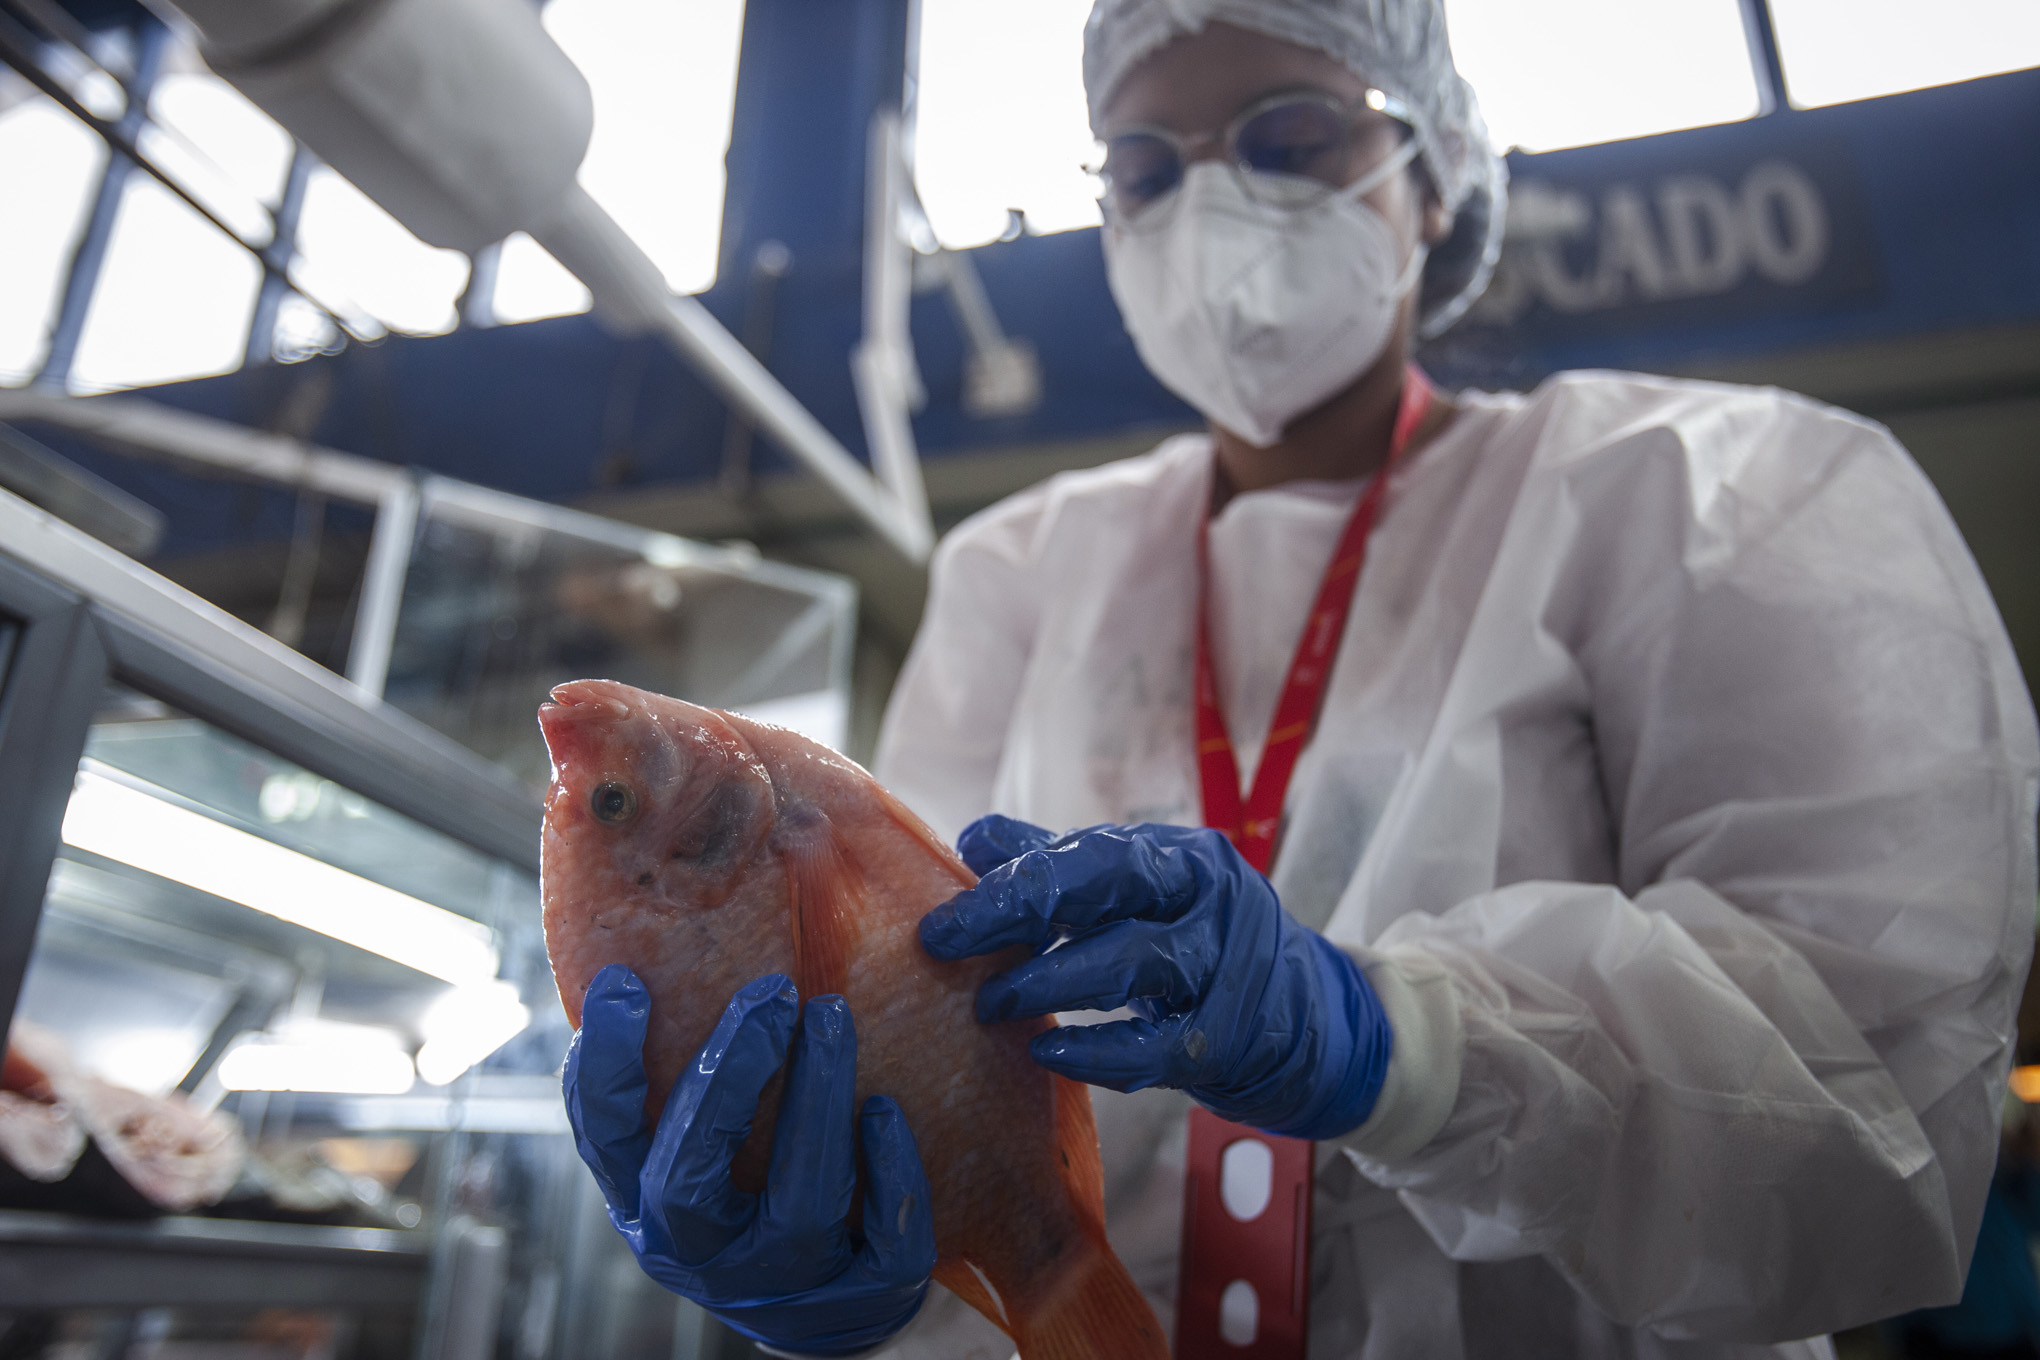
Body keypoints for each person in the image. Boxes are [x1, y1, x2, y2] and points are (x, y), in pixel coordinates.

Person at [562, 0, 2040, 1356]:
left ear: (1439, 169)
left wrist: (1395, 1043)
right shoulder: (1022, 573)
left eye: (1287, 138)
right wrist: (848, 1264)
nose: (1211, 206)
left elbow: (1869, 1090)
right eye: (1145, 170)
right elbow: (892, 1014)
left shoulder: (1707, 497)